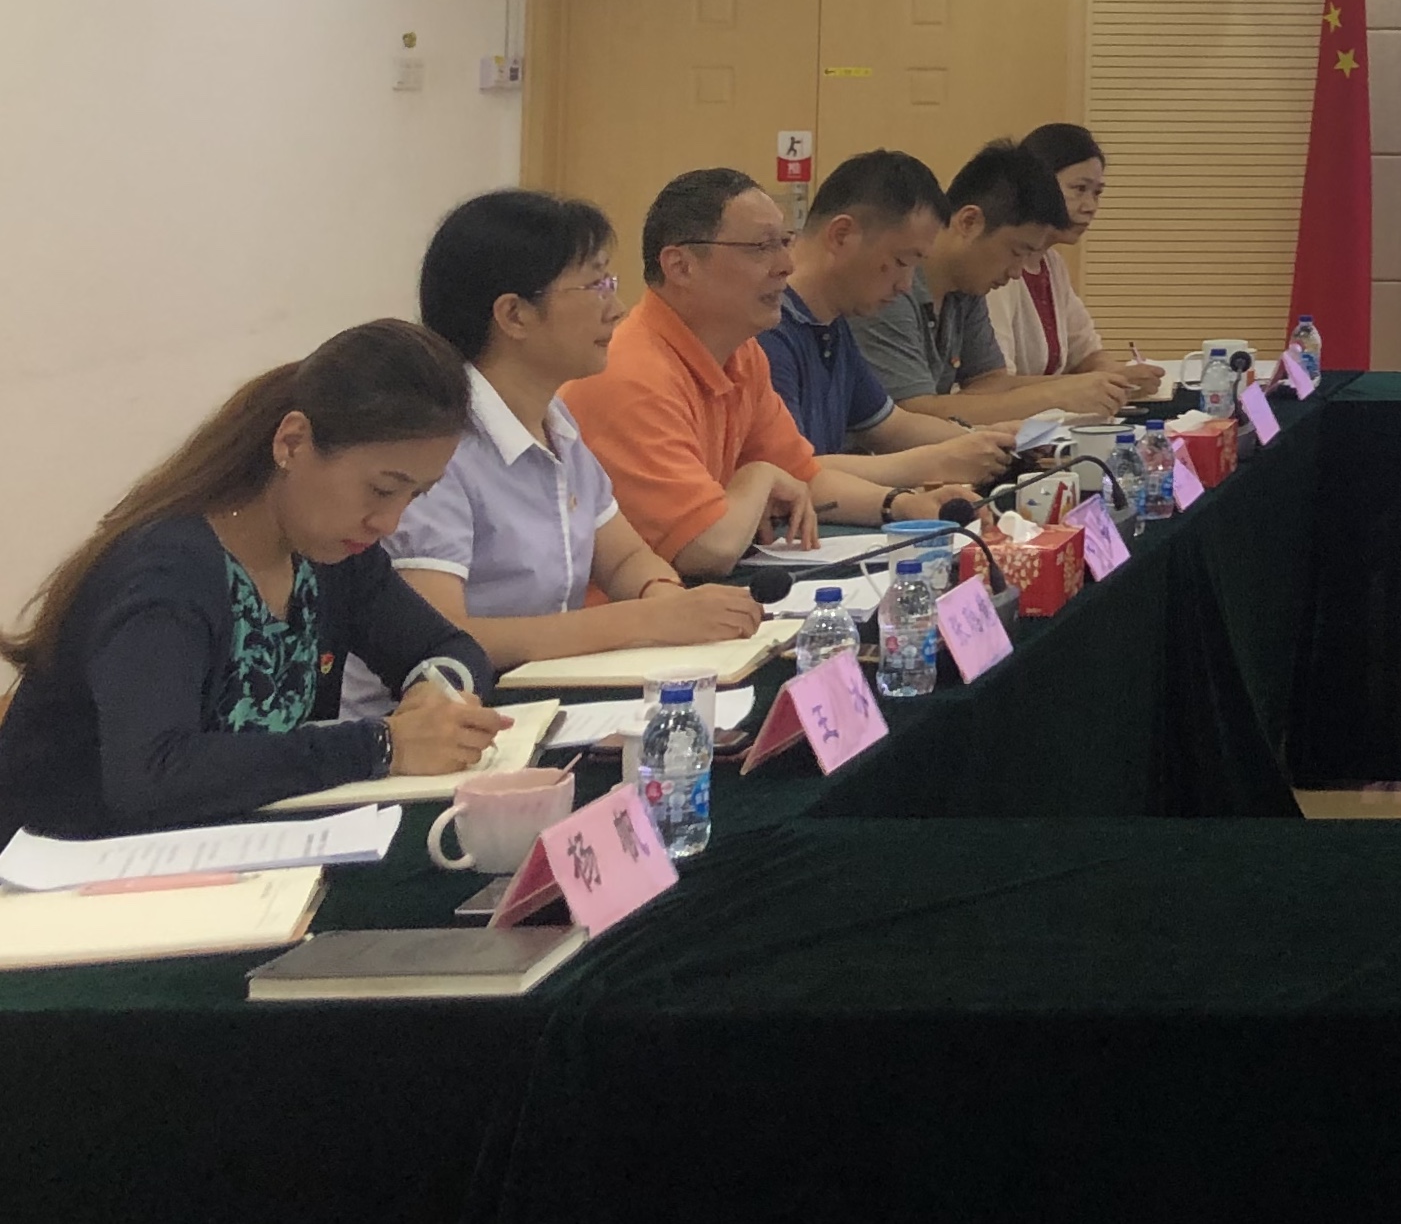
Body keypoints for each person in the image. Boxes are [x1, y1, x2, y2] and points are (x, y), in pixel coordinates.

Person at [0, 322, 508, 837]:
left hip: (241, 849)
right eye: (381, 490)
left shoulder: (334, 555)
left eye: (415, 495)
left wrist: (438, 694)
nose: (390, 523)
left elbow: (449, 647)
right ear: (292, 443)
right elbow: (151, 776)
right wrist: (382, 744)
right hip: (69, 864)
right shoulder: (167, 573)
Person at [348, 190, 764, 706]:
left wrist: (666, 601)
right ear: (514, 315)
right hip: (434, 720)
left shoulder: (555, 420)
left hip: (533, 702)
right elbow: (442, 636)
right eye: (595, 285)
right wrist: (644, 620)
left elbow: (625, 558)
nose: (617, 310)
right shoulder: (438, 445)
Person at [568, 167, 973, 578]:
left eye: (784, 243)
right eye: (761, 247)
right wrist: (758, 476)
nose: (785, 265)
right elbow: (706, 548)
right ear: (680, 266)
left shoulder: (742, 354)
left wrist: (901, 505)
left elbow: (805, 477)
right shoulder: (631, 372)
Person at [759, 148, 1018, 496]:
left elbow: (889, 425)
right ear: (841, 235)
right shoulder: (765, 330)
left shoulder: (832, 321)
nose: (906, 285)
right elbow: (791, 472)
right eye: (901, 261)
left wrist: (985, 441)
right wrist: (936, 462)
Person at [861, 140, 1162, 429]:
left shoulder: (966, 287)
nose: (1017, 272)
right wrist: (1057, 395)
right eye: (1017, 252)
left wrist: (1085, 386)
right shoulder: (893, 287)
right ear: (969, 222)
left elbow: (990, 382)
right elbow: (912, 413)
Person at [988, 124, 1160, 397]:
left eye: (1097, 193)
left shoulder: (1052, 263)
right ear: (1039, 185)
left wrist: (1118, 375)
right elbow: (994, 385)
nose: (1090, 206)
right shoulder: (997, 270)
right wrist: (1095, 382)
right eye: (1079, 189)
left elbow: (1086, 351)